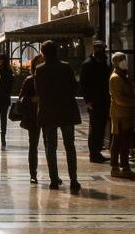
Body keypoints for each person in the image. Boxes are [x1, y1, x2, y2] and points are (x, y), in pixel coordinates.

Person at [35, 40, 82, 193]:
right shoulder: (66, 67)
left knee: (51, 147)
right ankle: (73, 180)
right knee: (70, 146)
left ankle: (54, 180)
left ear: (43, 53)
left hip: (49, 112)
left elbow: (38, 91)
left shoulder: (40, 69)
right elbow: (75, 87)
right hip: (66, 110)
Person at [108, 52, 135, 179]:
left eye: (124, 59)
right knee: (120, 142)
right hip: (120, 115)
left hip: (125, 114)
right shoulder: (116, 77)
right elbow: (119, 99)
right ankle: (119, 167)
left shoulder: (122, 76)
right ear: (115, 62)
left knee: (122, 141)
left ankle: (121, 167)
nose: (124, 61)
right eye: (121, 59)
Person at [80, 40, 111, 163]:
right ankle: (94, 153)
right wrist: (88, 101)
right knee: (95, 128)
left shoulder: (103, 63)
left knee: (101, 127)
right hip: (94, 101)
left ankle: (97, 151)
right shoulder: (87, 64)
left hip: (103, 100)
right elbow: (83, 84)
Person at [19, 53, 44, 184]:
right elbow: (21, 98)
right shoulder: (29, 80)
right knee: (33, 145)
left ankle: (54, 175)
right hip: (33, 117)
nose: (41, 64)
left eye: (43, 61)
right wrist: (32, 99)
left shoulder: (49, 79)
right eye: (38, 62)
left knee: (50, 146)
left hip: (48, 116)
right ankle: (33, 173)